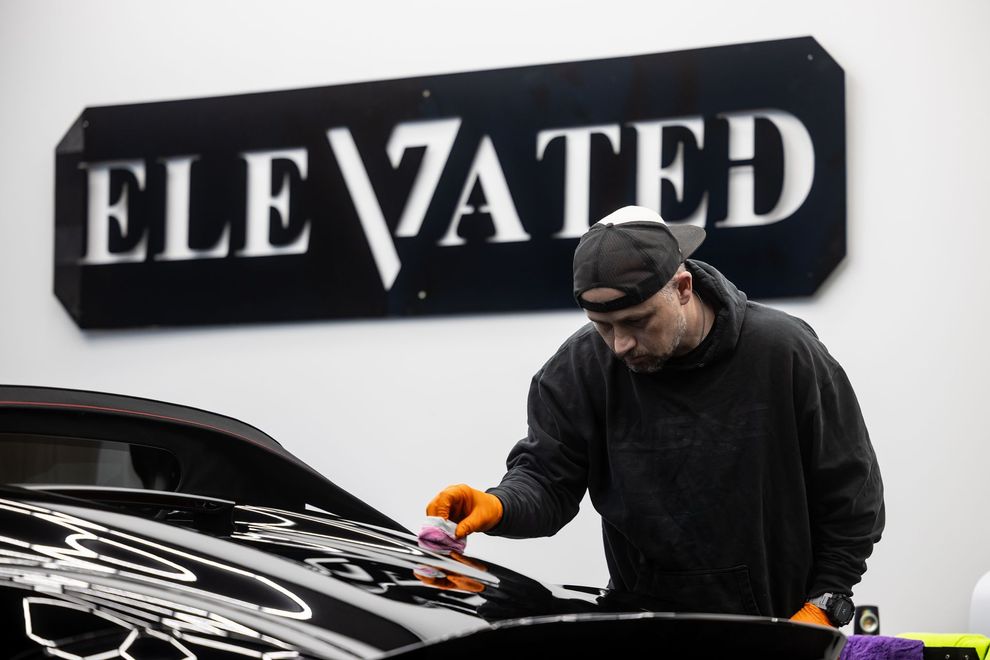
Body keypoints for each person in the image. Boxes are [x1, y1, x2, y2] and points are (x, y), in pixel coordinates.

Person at [426, 205, 884, 626]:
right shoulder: (580, 369)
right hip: (643, 630)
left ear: (682, 288)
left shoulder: (784, 353)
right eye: (602, 326)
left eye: (638, 321)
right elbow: (548, 481)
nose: (620, 344)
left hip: (777, 629)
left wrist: (824, 605)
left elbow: (852, 498)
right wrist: (498, 505)